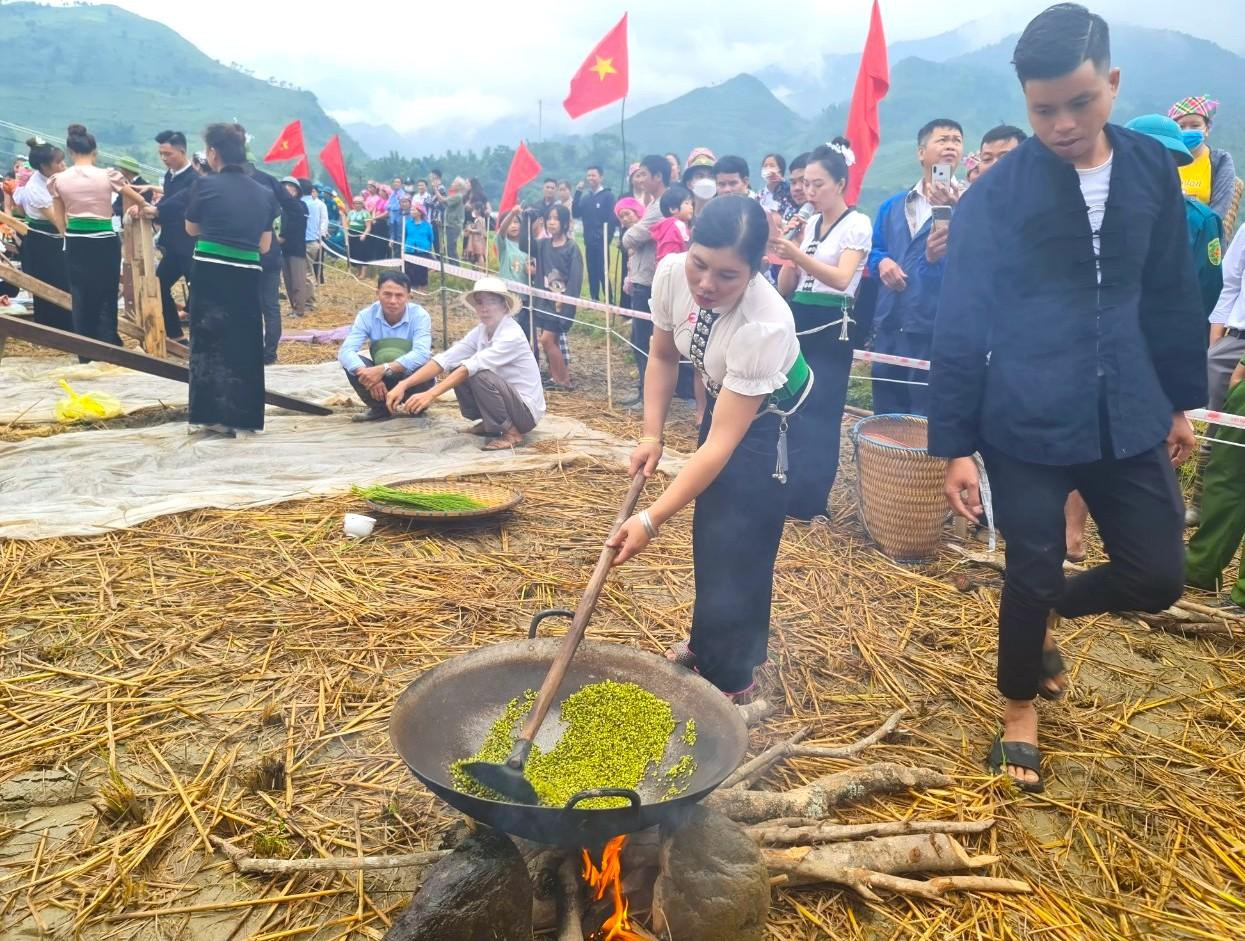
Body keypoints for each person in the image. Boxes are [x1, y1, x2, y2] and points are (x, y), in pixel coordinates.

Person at [930, 4, 1205, 792]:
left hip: (1127, 405)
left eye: (1079, 103)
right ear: (1024, 100)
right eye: (1042, 108)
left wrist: (1177, 401)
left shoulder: (1150, 168)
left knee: (1157, 574)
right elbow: (961, 321)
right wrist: (954, 444)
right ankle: (1018, 705)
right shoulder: (995, 196)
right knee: (1031, 562)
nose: (1060, 124)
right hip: (1024, 414)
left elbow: (1169, 290)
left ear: (1111, 83)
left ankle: (1051, 608)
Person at [606, 197, 812, 702]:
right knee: (710, 533)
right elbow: (661, 355)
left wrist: (650, 520)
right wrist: (651, 435)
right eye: (700, 264)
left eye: (727, 275)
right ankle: (705, 647)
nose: (706, 284)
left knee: (741, 543)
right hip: (726, 400)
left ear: (754, 270)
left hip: (769, 423)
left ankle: (734, 678)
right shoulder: (671, 274)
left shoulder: (765, 322)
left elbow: (721, 443)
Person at [773, 139, 873, 521]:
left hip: (832, 324)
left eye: (818, 184)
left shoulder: (857, 224)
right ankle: (785, 487)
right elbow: (788, 285)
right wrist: (789, 255)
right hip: (801, 316)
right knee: (792, 404)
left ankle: (811, 501)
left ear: (840, 184)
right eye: (805, 184)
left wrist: (798, 254)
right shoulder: (811, 224)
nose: (809, 192)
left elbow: (843, 277)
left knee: (822, 412)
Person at [183, 122, 279, 435]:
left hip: (210, 269)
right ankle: (245, 416)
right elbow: (265, 245)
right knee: (245, 343)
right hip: (247, 271)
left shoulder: (204, 185)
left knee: (208, 341)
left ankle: (210, 415)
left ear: (213, 153)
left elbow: (191, 229)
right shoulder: (265, 193)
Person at [868, 117, 965, 415]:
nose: (950, 146)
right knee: (885, 414)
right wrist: (882, 262)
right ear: (921, 153)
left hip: (934, 328)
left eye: (956, 141)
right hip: (890, 323)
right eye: (942, 139)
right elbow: (873, 250)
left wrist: (957, 212)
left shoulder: (970, 205)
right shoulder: (892, 206)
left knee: (925, 417)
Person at [389, 276, 546, 450]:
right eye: (480, 302)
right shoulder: (481, 331)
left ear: (504, 306)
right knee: (458, 367)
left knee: (477, 374)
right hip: (507, 402)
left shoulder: (511, 334)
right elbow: (445, 359)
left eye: (491, 302)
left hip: (525, 413)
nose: (485, 308)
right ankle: (489, 423)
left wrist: (431, 394)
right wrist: (403, 384)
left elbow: (471, 367)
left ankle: (512, 432)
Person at [47, 124, 145, 351]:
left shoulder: (58, 180)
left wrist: (67, 235)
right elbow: (136, 197)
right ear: (95, 151)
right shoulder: (108, 175)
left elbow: (59, 217)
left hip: (76, 240)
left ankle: (84, 347)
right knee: (107, 292)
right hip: (104, 239)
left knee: (81, 294)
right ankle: (108, 341)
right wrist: (142, 206)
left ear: (70, 152)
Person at [338, 271, 433, 420]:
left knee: (426, 366)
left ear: (409, 296)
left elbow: (421, 353)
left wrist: (383, 369)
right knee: (353, 364)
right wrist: (367, 374)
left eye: (399, 295)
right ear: (377, 293)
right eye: (387, 294)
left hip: (409, 377)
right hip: (380, 380)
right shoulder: (366, 315)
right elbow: (346, 351)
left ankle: (414, 407)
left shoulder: (420, 316)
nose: (393, 301)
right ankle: (380, 408)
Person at [621, 155, 671, 403]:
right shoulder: (654, 204)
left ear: (658, 176)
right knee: (642, 340)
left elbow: (630, 238)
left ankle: (648, 395)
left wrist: (632, 233)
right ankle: (646, 391)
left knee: (643, 341)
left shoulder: (661, 206)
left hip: (649, 281)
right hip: (646, 279)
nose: (640, 180)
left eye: (644, 175)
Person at [12, 138, 70, 331]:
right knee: (50, 286)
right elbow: (59, 221)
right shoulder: (35, 188)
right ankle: (52, 331)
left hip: (57, 240)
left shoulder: (59, 177)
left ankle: (69, 327)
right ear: (45, 166)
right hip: (44, 244)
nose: (63, 165)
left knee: (66, 283)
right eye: (59, 162)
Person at [149, 130, 195, 339]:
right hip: (173, 245)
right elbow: (169, 201)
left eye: (168, 154)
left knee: (197, 292)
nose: (164, 158)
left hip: (191, 243)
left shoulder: (194, 177)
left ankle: (201, 339)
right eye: (161, 154)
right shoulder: (169, 176)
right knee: (159, 284)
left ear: (182, 151)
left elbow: (181, 201)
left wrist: (157, 210)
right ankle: (175, 334)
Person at [532, 204, 583, 390]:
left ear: (564, 222)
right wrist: (530, 222)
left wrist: (567, 304)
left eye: (556, 219)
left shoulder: (572, 248)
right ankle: (556, 378)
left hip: (560, 304)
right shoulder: (543, 244)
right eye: (549, 219)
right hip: (544, 303)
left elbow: (575, 281)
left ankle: (564, 380)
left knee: (547, 340)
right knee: (550, 341)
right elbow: (525, 244)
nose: (551, 222)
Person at [1169, 96, 1237, 221]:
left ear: (1207, 129)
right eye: (1181, 126)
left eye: (1195, 125)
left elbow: (1219, 210)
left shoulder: (1220, 160)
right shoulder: (1165, 159)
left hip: (1204, 229)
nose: (1187, 131)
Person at [573, 165, 617, 301]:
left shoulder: (608, 196)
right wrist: (578, 193)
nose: (590, 178)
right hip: (589, 241)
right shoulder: (586, 197)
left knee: (603, 271)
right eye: (589, 175)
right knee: (591, 271)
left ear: (601, 177)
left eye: (593, 175)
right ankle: (594, 298)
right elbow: (575, 213)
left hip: (602, 242)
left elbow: (612, 219)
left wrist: (607, 238)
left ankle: (609, 300)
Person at [277, 176, 310, 318]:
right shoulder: (282, 207)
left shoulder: (300, 206)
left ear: (296, 191)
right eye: (284, 186)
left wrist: (282, 237)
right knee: (288, 280)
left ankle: (300, 309)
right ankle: (293, 307)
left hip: (296, 248)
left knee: (298, 281)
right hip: (284, 249)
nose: (286, 189)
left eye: (289, 186)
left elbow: (295, 225)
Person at [652, 185, 694, 262]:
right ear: (673, 209)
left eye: (691, 204)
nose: (691, 207)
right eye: (687, 203)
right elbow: (686, 247)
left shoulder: (664, 225)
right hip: (676, 263)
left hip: (663, 264)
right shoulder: (679, 225)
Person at [303, 180, 328, 300]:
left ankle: (310, 298)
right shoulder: (309, 203)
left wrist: (320, 236)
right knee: (308, 270)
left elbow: (324, 221)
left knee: (309, 270)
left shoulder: (319, 204)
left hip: (314, 239)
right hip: (310, 238)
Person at [402, 203, 435, 288]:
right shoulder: (408, 223)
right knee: (409, 268)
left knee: (421, 268)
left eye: (413, 210)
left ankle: (422, 285)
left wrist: (428, 248)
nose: (411, 212)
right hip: (410, 249)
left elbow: (431, 238)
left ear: (420, 212)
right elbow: (405, 235)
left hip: (422, 249)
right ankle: (411, 285)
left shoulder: (427, 225)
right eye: (411, 210)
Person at [757, 153, 796, 218]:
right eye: (765, 166)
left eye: (772, 166)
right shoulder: (760, 195)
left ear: (780, 169)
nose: (768, 168)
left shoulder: (789, 190)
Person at [346, 196, 371, 275]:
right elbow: (347, 224)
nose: (357, 205)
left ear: (362, 204)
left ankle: (363, 274)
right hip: (351, 235)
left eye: (359, 203)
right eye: (355, 203)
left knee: (362, 254)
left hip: (361, 235)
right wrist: (347, 232)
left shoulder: (366, 213)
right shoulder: (350, 213)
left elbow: (368, 227)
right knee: (354, 253)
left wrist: (364, 235)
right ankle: (358, 271)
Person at [443, 178, 466, 262]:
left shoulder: (458, 196)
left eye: (454, 183)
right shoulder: (455, 195)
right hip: (451, 224)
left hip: (453, 225)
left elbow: (443, 200)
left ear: (459, 186)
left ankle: (455, 266)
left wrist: (436, 190)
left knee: (451, 248)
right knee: (450, 248)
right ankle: (453, 265)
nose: (452, 184)